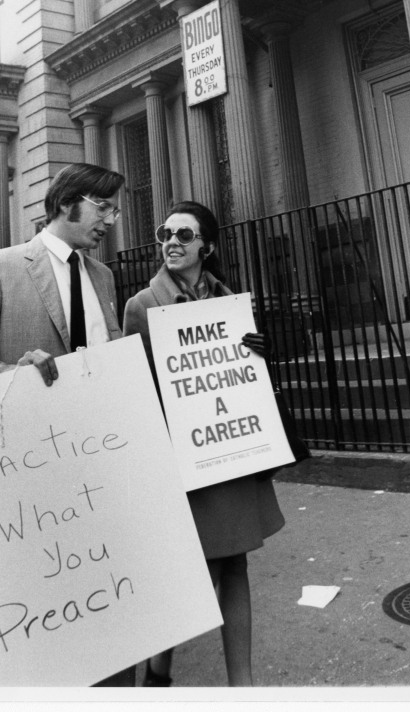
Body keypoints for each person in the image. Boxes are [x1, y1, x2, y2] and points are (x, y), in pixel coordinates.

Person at [0, 162, 136, 688]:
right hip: (33, 489)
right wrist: (16, 374)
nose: (111, 221)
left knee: (111, 619)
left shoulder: (103, 277)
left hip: (98, 475)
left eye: (116, 209)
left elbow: (110, 365)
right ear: (67, 202)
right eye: (104, 208)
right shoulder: (0, 267)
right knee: (49, 635)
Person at [122, 200, 285, 687]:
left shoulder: (230, 298)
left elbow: (241, 375)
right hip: (180, 458)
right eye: (165, 233)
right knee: (186, 574)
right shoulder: (141, 306)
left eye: (184, 235)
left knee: (234, 561)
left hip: (229, 452)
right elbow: (135, 389)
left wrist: (259, 349)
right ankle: (159, 664)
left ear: (206, 247)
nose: (171, 241)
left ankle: (243, 685)